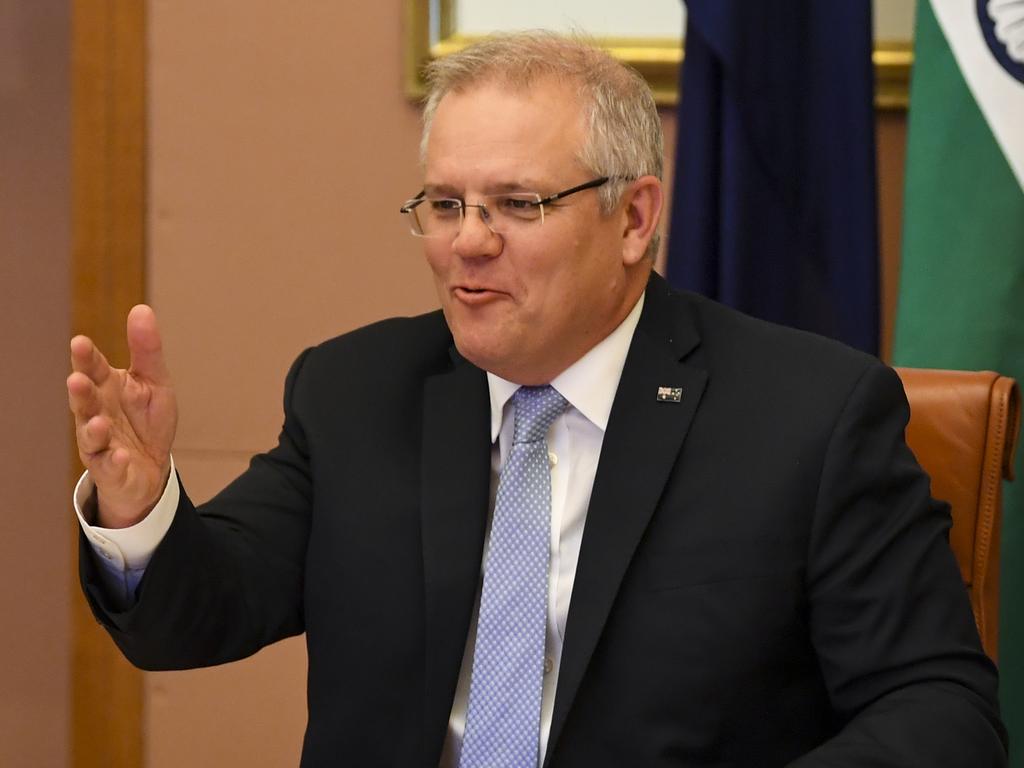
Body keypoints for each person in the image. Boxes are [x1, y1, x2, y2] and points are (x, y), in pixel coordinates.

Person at [67, 32, 1007, 768]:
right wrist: (143, 506)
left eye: (518, 205)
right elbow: (202, 611)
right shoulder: (355, 392)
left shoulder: (810, 415)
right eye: (444, 205)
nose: (467, 244)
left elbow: (940, 716)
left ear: (634, 218)